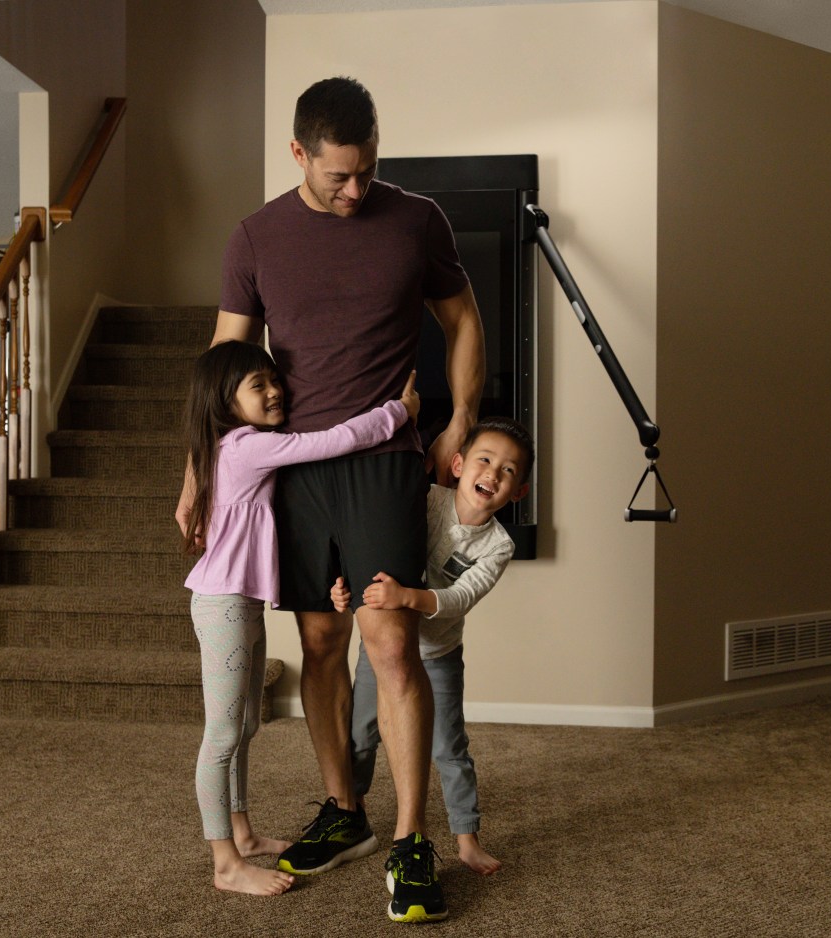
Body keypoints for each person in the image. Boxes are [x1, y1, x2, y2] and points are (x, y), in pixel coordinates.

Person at [176, 75, 485, 924]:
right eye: (337, 175)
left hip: (385, 457)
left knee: (391, 643)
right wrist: (200, 469)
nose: (355, 190)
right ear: (299, 154)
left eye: (367, 170)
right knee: (319, 641)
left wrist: (460, 420)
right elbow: (223, 362)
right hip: (295, 467)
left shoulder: (417, 218)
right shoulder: (255, 236)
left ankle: (410, 838)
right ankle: (344, 810)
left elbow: (462, 319)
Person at [181, 339, 420, 897]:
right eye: (257, 385)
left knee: (245, 725)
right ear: (224, 399)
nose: (274, 391)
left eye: (273, 380)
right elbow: (334, 440)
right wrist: (398, 412)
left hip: (239, 602)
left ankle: (240, 833)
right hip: (222, 604)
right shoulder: (245, 447)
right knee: (220, 735)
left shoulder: (230, 447)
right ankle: (224, 863)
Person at [332, 416, 534, 878]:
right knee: (360, 735)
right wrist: (344, 593)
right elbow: (374, 553)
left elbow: (460, 597)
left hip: (438, 656)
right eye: (485, 460)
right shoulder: (426, 498)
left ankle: (467, 838)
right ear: (458, 464)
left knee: (449, 748)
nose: (493, 474)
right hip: (381, 648)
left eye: (508, 471)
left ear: (518, 492)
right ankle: (351, 812)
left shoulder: (498, 546)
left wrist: (407, 598)